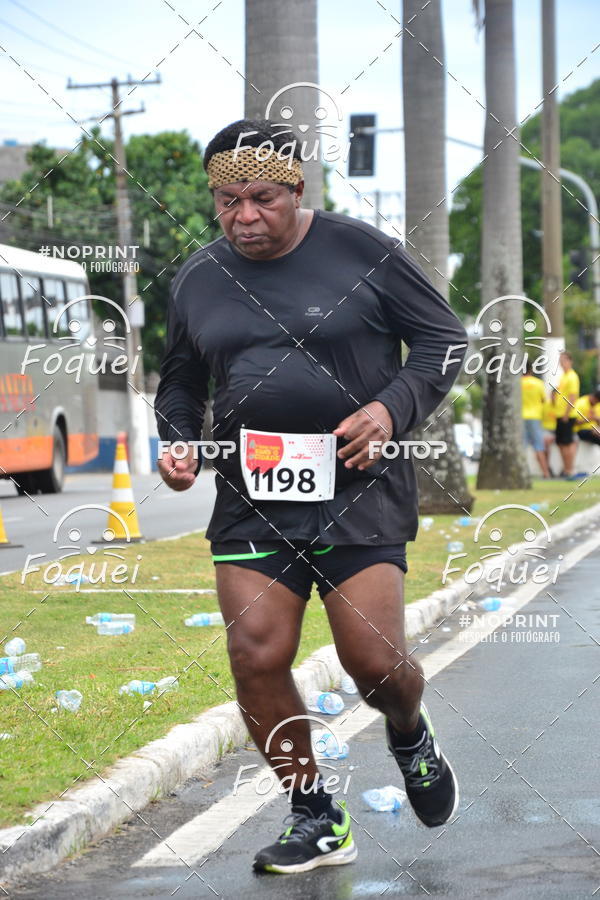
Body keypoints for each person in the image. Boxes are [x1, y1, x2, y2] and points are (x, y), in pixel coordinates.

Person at [155, 119, 468, 874]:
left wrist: (390, 409)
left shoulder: (363, 253)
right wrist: (175, 437)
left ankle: (408, 732)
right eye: (228, 202)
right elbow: (180, 377)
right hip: (252, 490)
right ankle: (314, 815)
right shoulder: (198, 276)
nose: (244, 217)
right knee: (255, 654)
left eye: (261, 198)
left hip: (357, 484)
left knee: (375, 665)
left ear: (297, 190)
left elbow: (443, 338)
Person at [521, 362, 550, 478]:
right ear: (531, 370)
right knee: (539, 446)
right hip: (535, 417)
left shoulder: (517, 384)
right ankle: (546, 473)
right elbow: (543, 400)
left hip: (521, 417)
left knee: (522, 446)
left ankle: (521, 473)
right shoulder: (538, 383)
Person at [554, 351, 580, 477]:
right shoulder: (563, 376)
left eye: (564, 360)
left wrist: (566, 414)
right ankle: (566, 468)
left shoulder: (572, 377)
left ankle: (570, 470)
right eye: (560, 360)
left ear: (570, 361)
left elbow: (572, 397)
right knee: (560, 442)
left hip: (567, 415)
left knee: (567, 442)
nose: (561, 363)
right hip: (559, 414)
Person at [542, 389, 557, 477]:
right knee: (545, 441)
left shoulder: (562, 407)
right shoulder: (545, 405)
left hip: (558, 431)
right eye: (553, 395)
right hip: (547, 430)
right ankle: (547, 467)